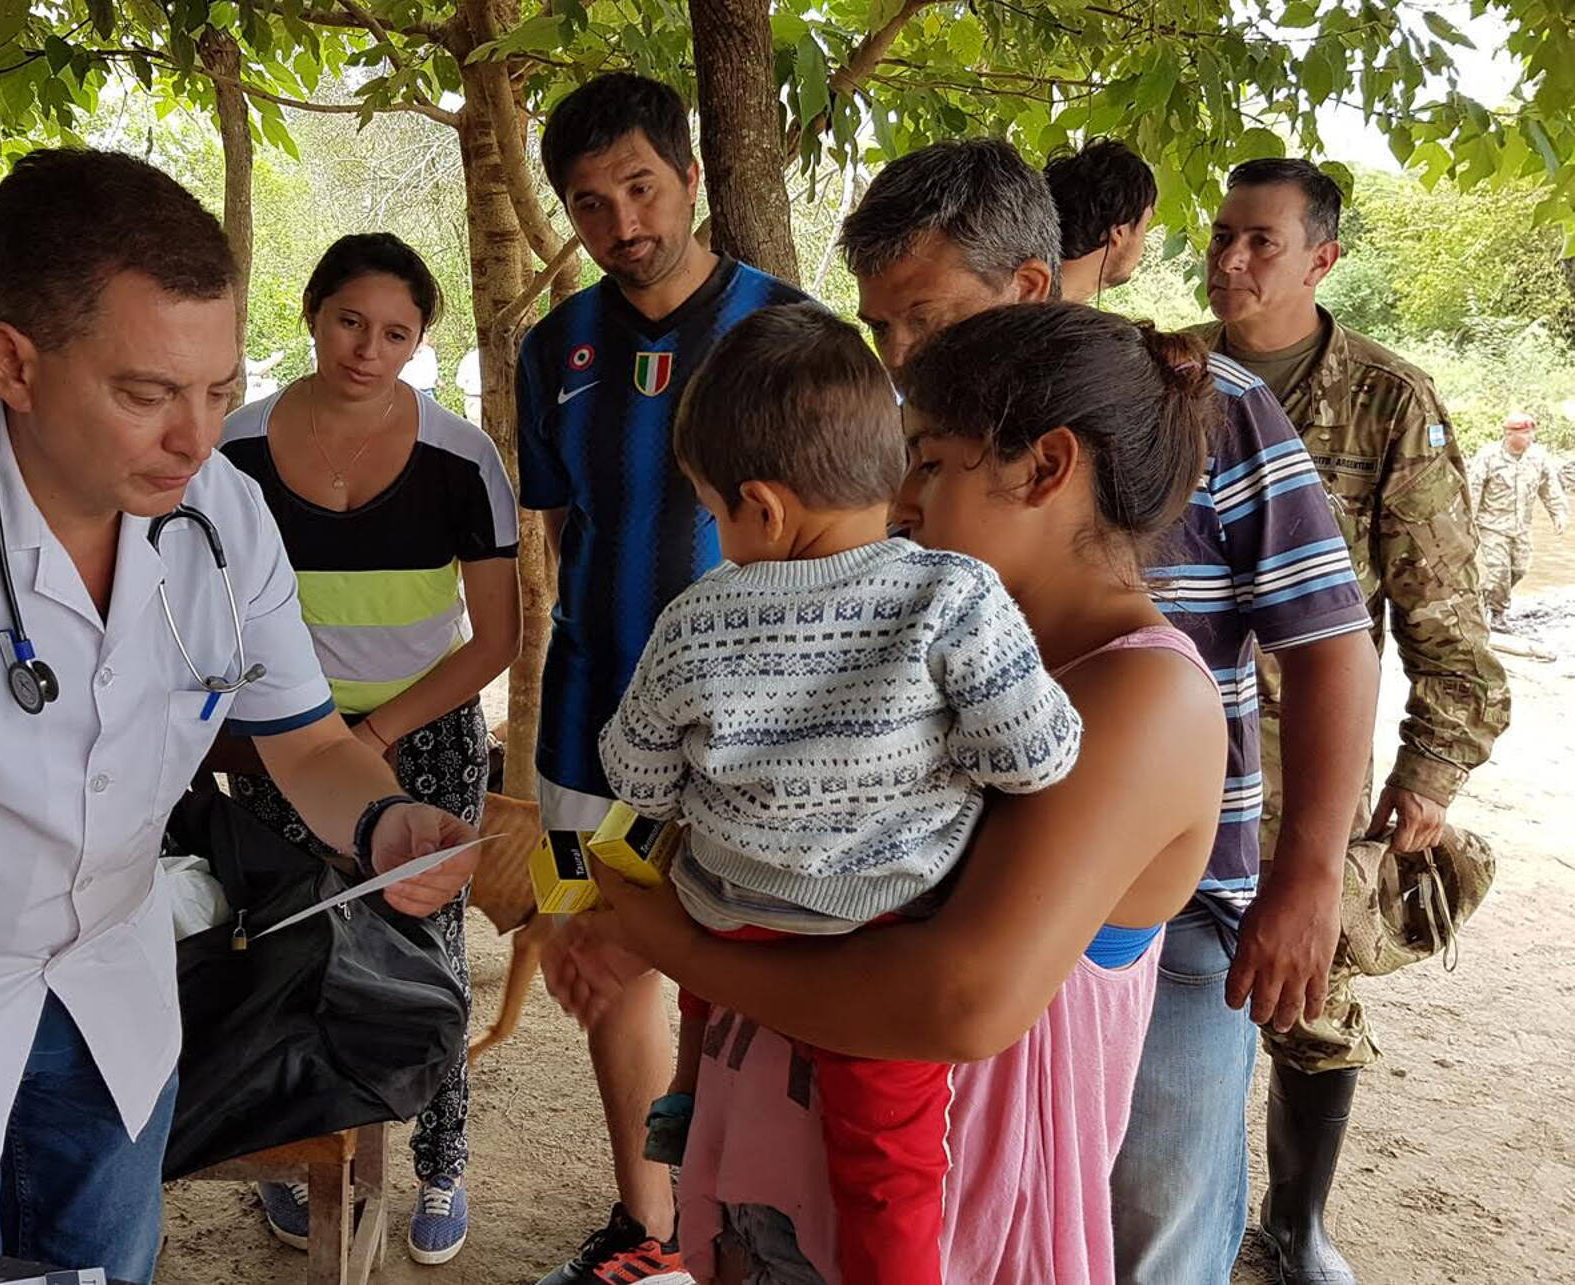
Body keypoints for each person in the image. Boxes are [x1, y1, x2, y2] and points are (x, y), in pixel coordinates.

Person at [0, 149, 479, 1285]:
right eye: (146, 393)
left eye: (218, 391)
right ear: (14, 363)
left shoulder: (220, 516)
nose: (195, 437)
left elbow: (308, 741)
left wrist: (380, 823)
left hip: (110, 984)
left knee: (107, 1266)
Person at [555, 299, 1231, 1283]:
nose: (896, 498)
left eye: (925, 459)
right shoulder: (919, 646)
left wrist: (666, 938)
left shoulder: (1141, 695)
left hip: (950, 1206)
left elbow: (957, 1003)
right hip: (791, 1165)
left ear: (1041, 468)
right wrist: (611, 891)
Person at [845, 139, 1377, 1283]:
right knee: (1005, 1192)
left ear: (1027, 289)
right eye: (879, 328)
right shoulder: (926, 445)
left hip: (1175, 905)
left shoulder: (1206, 408)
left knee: (1155, 1213)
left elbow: (1328, 641)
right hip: (981, 884)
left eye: (921, 320)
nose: (897, 358)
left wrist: (1307, 873)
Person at [1195, 155, 1510, 1283]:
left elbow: (1441, 611)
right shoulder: (1163, 375)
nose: (1228, 260)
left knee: (1305, 997)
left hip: (1295, 767)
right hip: (1164, 745)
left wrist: (1429, 770)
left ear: (1321, 259)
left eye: (1259, 242)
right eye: (1220, 235)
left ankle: (1294, 1224)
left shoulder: (1387, 399)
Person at [518, 72, 808, 1285]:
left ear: (690, 178)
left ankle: (744, 1221)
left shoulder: (789, 335)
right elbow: (555, 529)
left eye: (640, 187)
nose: (621, 222)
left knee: (751, 970)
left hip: (758, 733)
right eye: (590, 203)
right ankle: (645, 1224)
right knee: (601, 964)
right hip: (590, 714)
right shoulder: (555, 348)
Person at [216, 233, 521, 1264]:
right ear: (311, 314)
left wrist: (379, 732)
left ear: (419, 343)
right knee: (284, 942)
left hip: (422, 732)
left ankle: (441, 1164)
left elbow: (494, 636)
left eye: (395, 333)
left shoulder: (458, 457)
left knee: (423, 949)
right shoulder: (235, 450)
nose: (367, 348)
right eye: (350, 321)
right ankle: (292, 1155)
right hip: (272, 735)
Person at [1467, 410, 1566, 628]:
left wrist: (1558, 513)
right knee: (1498, 571)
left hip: (1521, 526)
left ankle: (1484, 598)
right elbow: (1472, 491)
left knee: (1520, 569)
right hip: (1492, 526)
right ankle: (1498, 614)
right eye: (1526, 433)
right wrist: (1468, 525)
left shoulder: (1538, 457)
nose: (1531, 437)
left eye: (1532, 433)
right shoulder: (1489, 456)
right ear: (1509, 434)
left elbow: (1549, 487)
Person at [1045, 138, 1158, 305]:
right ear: (1119, 231)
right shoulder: (1066, 328)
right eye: (1145, 226)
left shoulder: (1010, 293)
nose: (1144, 246)